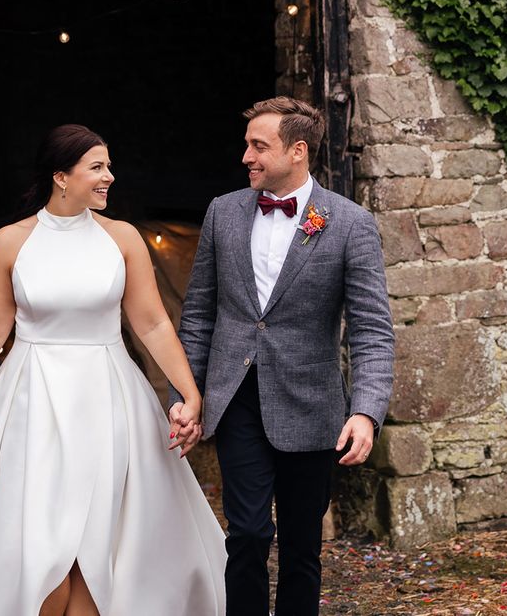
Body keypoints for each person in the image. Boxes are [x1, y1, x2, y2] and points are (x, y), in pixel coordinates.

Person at [0, 124, 226, 616]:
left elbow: (152, 324)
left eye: (108, 166)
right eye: (97, 167)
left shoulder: (122, 239)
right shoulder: (10, 242)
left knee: (104, 535)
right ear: (61, 176)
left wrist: (188, 394)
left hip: (109, 397)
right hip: (30, 398)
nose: (110, 177)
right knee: (37, 534)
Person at [168, 97, 395, 616]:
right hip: (238, 399)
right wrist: (187, 393)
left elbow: (372, 329)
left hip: (313, 407)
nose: (245, 155)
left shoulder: (350, 223)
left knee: (301, 548)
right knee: (246, 533)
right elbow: (198, 314)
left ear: (297, 151)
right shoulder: (222, 212)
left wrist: (365, 411)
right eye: (247, 144)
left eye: (258, 145)